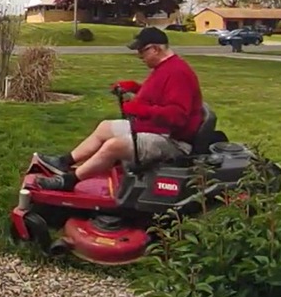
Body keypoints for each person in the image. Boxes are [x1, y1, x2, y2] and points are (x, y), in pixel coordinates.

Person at [35, 26, 204, 191]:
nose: (139, 56)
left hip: (174, 142)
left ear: (155, 49)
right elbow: (160, 97)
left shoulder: (178, 73)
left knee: (114, 146)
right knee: (105, 127)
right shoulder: (165, 68)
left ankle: (69, 181)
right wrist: (135, 88)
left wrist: (142, 109)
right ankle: (64, 162)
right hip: (158, 130)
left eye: (141, 51)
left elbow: (178, 116)